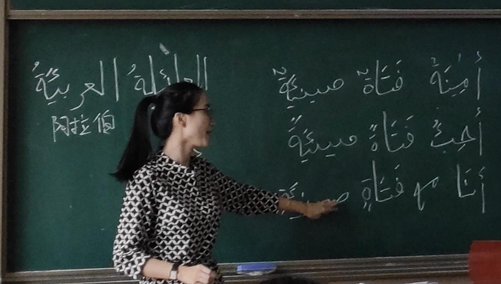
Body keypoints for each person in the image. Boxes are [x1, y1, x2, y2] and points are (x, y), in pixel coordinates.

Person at [112, 81, 337, 284]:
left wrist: (305, 208)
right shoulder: (148, 178)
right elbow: (124, 256)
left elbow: (245, 198)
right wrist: (180, 273)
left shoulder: (204, 172)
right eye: (205, 110)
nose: (212, 120)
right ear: (181, 119)